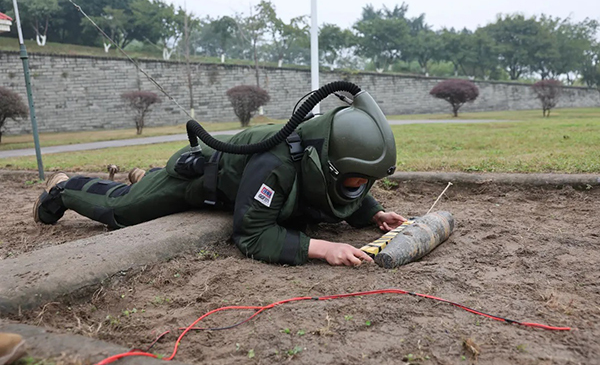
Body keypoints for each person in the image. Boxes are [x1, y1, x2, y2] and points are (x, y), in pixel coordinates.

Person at [33, 87, 406, 266]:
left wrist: (372, 213)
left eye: (365, 183)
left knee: (142, 189)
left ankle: (142, 175)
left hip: (232, 182)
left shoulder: (319, 157)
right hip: (197, 179)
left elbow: (339, 188)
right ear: (325, 161)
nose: (359, 189)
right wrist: (326, 249)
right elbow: (253, 234)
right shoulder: (274, 165)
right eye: (356, 182)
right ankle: (66, 187)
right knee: (124, 211)